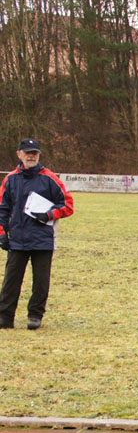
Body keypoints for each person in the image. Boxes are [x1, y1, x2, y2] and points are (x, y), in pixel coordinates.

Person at [0, 138, 74, 330]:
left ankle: (35, 315)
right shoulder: (10, 179)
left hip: (43, 239)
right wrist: (2, 233)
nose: (31, 156)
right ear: (19, 155)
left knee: (41, 282)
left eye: (34, 153)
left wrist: (49, 214)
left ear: (39, 155)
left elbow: (68, 205)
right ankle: (5, 317)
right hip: (17, 239)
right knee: (11, 281)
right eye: (27, 153)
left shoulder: (50, 178)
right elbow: (2, 209)